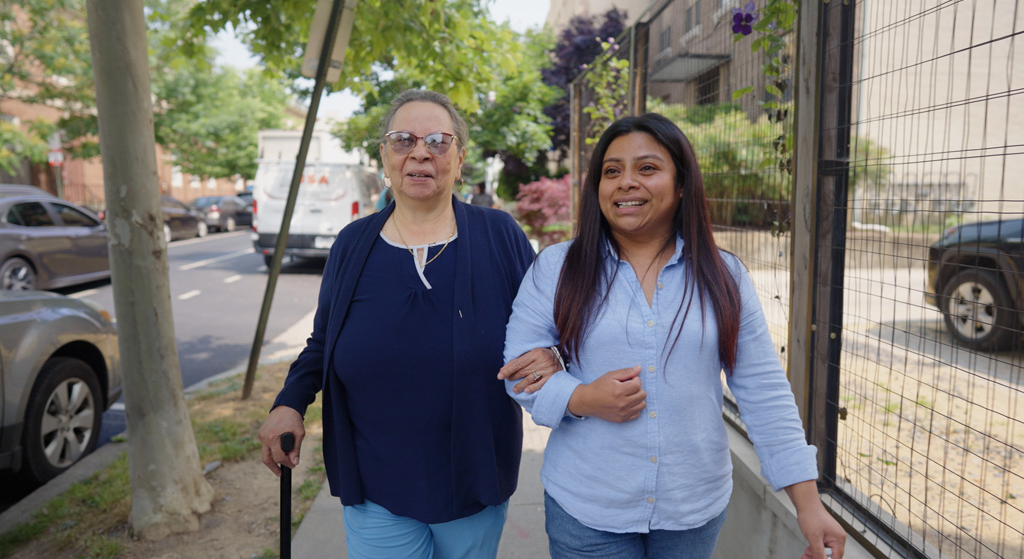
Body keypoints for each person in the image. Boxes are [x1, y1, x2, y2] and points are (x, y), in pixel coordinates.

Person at [499, 113, 847, 559]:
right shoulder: (557, 268)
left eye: (647, 168)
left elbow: (763, 390)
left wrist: (808, 504)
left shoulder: (724, 277)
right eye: (612, 171)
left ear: (682, 184)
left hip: (693, 509)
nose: (626, 182)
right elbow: (518, 369)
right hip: (588, 506)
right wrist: (582, 398)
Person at [258, 89, 561, 559]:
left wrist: (554, 356)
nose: (420, 151)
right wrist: (289, 402)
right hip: (375, 477)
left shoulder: (500, 236)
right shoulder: (352, 244)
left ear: (459, 159)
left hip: (473, 478)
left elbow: (548, 329)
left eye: (439, 141)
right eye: (403, 140)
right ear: (385, 156)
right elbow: (323, 342)